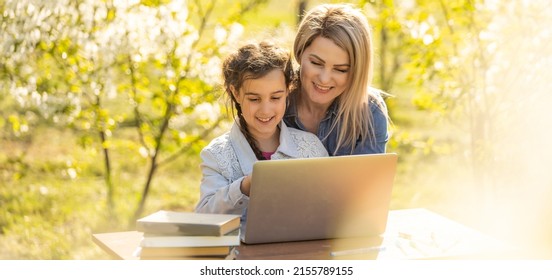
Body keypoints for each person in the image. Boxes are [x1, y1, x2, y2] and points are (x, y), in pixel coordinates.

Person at [195, 41, 328, 222]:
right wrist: (244, 187)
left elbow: (328, 210)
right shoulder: (217, 155)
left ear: (288, 91)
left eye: (275, 97)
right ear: (235, 93)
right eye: (254, 99)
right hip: (240, 250)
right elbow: (203, 217)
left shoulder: (311, 148)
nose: (266, 110)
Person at [283, 3, 391, 156]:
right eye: (316, 63)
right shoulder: (274, 97)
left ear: (357, 71)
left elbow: (369, 179)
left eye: (340, 69)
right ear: (300, 53)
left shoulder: (370, 111)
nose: (325, 79)